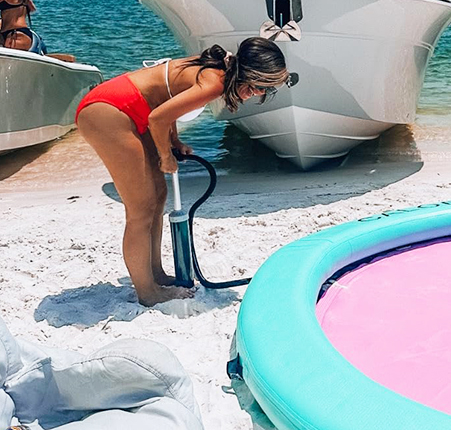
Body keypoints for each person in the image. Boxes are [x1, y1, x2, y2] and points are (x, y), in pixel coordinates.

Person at [76, 37, 292, 306]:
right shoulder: (215, 83)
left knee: (158, 198)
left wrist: (174, 142)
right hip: (109, 111)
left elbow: (168, 102)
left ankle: (154, 275)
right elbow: (157, 118)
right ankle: (147, 293)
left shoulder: (219, 72)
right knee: (141, 209)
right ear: (246, 74)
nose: (259, 93)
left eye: (267, 90)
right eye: (259, 86)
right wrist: (166, 156)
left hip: (128, 108)